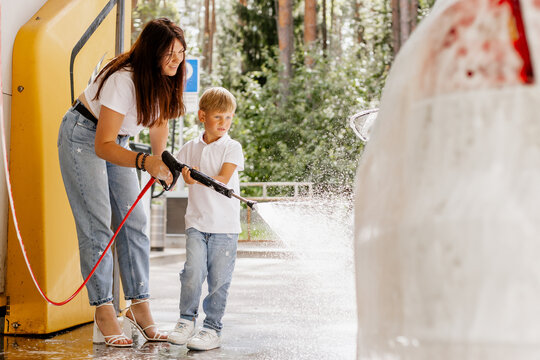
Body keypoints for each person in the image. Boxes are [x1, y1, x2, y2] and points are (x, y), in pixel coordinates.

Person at [57, 18, 187, 347]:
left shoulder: (163, 78)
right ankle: (104, 310)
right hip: (83, 136)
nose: (177, 61)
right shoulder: (124, 80)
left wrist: (163, 163)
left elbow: (158, 124)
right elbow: (103, 145)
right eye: (170, 54)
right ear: (152, 52)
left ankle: (138, 308)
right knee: (97, 223)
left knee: (135, 221)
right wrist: (147, 162)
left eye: (182, 53)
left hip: (120, 141)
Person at [167, 87, 244, 351]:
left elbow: (222, 179)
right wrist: (178, 174)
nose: (224, 123)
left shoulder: (232, 147)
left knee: (218, 280)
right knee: (192, 271)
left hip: (225, 227)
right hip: (197, 224)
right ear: (202, 116)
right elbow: (172, 172)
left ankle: (212, 329)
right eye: (218, 117)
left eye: (229, 118)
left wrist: (197, 175)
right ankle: (186, 320)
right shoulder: (189, 148)